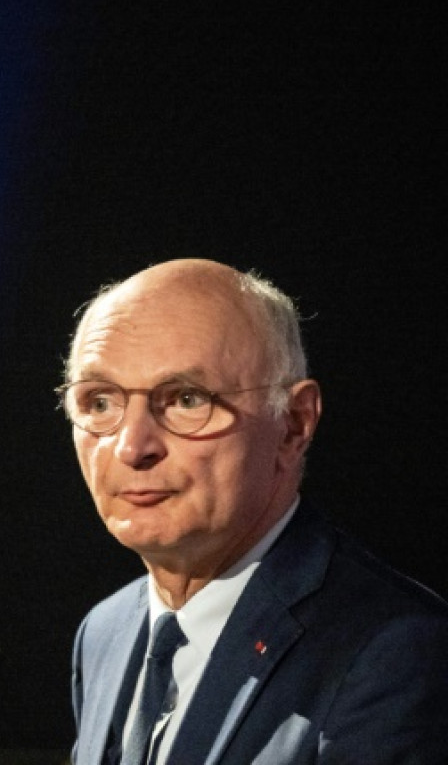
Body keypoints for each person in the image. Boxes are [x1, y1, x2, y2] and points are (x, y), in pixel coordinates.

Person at [59, 258, 448, 764]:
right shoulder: (104, 631)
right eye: (100, 402)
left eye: (185, 399)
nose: (133, 447)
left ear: (293, 424)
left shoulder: (396, 653)